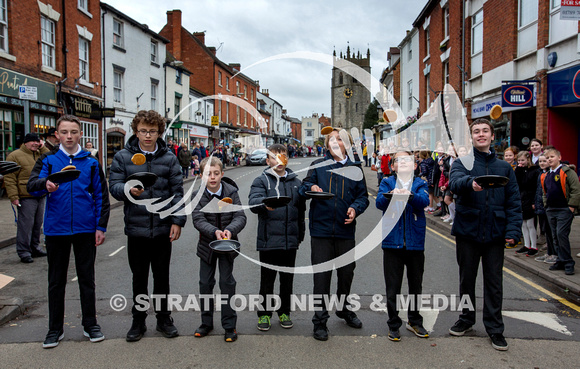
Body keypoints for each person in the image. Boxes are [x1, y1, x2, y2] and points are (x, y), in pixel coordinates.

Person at [27, 114, 110, 349]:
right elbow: (31, 185)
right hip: (56, 230)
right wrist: (45, 184)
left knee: (87, 279)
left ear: (80, 133)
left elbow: (101, 196)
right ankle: (55, 329)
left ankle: (90, 324)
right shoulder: (49, 161)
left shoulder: (91, 162)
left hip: (85, 229)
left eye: (73, 132)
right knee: (56, 281)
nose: (69, 136)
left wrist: (100, 226)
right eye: (64, 132)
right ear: (57, 135)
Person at [109, 110, 185, 342]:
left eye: (152, 131)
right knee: (139, 277)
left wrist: (177, 221)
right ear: (136, 131)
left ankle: (163, 319)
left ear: (159, 132)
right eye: (143, 131)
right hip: (136, 228)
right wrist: (127, 190)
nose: (147, 136)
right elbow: (114, 186)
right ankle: (138, 321)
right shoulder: (123, 157)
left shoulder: (169, 158)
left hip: (163, 228)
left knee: (162, 277)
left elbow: (177, 194)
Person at [448, 118, 522, 351]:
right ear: (471, 137)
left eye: (485, 131)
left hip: (495, 234)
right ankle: (466, 320)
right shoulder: (462, 162)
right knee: (466, 281)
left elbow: (514, 202)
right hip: (468, 231)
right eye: (476, 131)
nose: (481, 134)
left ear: (492, 136)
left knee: (494, 283)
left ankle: (495, 329)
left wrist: (513, 231)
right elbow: (455, 183)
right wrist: (471, 183)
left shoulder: (505, 167)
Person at [299, 128, 369, 341]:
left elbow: (363, 196)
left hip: (345, 230)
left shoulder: (355, 168)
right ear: (327, 144)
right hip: (320, 230)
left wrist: (355, 208)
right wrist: (311, 185)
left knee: (346, 273)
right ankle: (319, 321)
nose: (336, 142)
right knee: (322, 278)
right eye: (332, 139)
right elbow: (303, 189)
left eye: (340, 139)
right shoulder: (317, 166)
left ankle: (343, 308)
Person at [248, 144, 306, 331]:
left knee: (287, 281)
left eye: (283, 156)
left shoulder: (297, 183)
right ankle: (264, 315)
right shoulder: (261, 181)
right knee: (267, 280)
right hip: (268, 240)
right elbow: (253, 201)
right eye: (274, 157)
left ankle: (284, 312)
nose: (279, 160)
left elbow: (301, 211)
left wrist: (300, 234)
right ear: (268, 161)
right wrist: (264, 204)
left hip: (290, 240)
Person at [376, 150, 430, 342]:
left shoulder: (420, 183)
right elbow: (380, 203)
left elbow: (424, 201)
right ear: (393, 166)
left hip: (415, 243)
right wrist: (392, 194)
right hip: (392, 243)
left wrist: (410, 194)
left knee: (416, 285)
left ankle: (414, 321)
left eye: (408, 160)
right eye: (399, 160)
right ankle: (393, 324)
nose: (404, 163)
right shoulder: (387, 182)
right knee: (393, 287)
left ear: (415, 165)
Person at [191, 156, 247, 342]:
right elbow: (198, 219)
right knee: (205, 284)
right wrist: (214, 231)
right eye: (208, 174)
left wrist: (230, 230)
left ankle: (229, 326)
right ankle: (206, 323)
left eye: (216, 173)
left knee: (227, 284)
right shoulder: (197, 195)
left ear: (222, 174)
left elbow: (240, 216)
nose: (212, 177)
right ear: (201, 176)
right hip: (206, 246)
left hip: (227, 246)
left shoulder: (232, 192)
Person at [4, 133, 50, 263]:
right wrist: (13, 196)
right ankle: (24, 251)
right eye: (32, 142)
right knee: (26, 225)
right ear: (25, 143)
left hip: (40, 193)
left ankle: (34, 247)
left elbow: (51, 157)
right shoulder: (14, 156)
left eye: (37, 142)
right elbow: (10, 178)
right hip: (25, 196)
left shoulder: (40, 154)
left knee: (37, 224)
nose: (35, 144)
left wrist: (43, 147)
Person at [541, 148, 580, 275]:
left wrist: (571, 206)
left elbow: (576, 190)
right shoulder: (546, 175)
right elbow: (544, 192)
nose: (549, 159)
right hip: (551, 209)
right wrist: (546, 205)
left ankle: (568, 262)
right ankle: (561, 260)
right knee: (555, 237)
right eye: (547, 158)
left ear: (559, 157)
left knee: (561, 234)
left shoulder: (567, 171)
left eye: (551, 157)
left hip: (564, 209)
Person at [514, 151, 540, 256]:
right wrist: (519, 170)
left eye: (523, 160)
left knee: (530, 224)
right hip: (522, 198)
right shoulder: (519, 170)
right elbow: (516, 183)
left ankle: (534, 246)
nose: (521, 162)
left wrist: (534, 201)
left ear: (528, 160)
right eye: (519, 160)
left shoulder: (534, 171)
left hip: (530, 198)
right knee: (523, 224)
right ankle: (526, 244)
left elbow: (534, 186)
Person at [534, 154, 556, 264]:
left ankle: (554, 254)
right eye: (541, 161)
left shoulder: (551, 174)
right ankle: (549, 253)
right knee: (546, 229)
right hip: (542, 205)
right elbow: (539, 191)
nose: (543, 163)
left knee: (553, 232)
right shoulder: (541, 174)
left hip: (551, 207)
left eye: (545, 160)